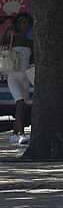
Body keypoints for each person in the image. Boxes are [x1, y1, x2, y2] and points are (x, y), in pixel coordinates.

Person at [1, 13, 33, 144]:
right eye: (22, 23)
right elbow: (1, 42)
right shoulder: (12, 39)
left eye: (27, 23)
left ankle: (14, 135)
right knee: (19, 102)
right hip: (13, 76)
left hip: (25, 78)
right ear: (18, 25)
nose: (25, 26)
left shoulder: (30, 42)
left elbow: (33, 60)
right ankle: (22, 134)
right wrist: (7, 30)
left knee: (23, 106)